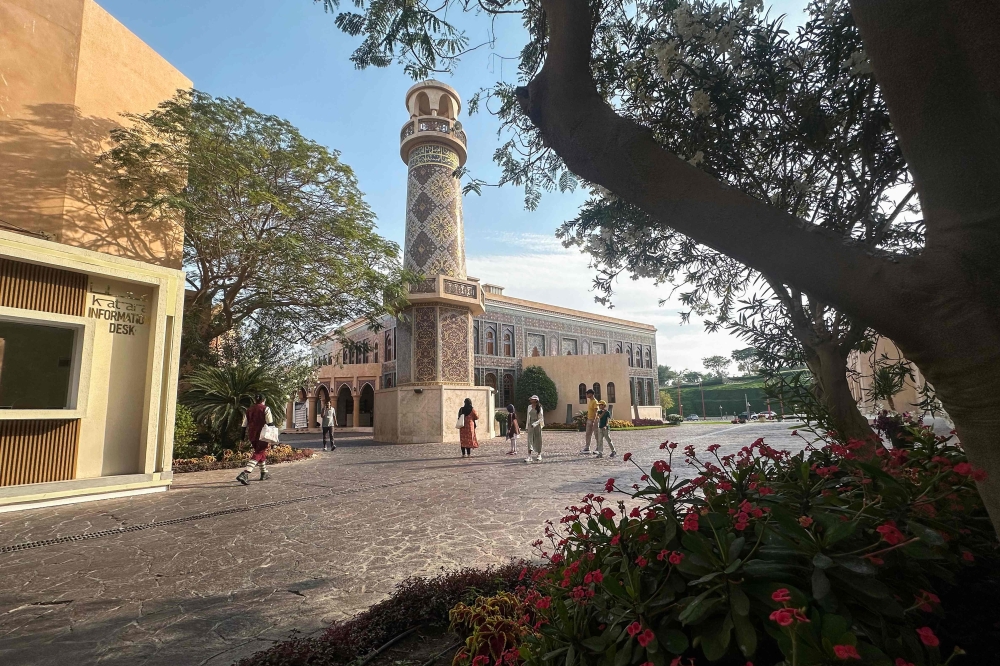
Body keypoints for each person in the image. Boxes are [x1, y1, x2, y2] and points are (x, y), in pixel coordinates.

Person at [237, 395, 275, 485]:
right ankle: (245, 473)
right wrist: (273, 438)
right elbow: (270, 423)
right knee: (259, 452)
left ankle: (264, 473)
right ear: (264, 400)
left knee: (260, 453)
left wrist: (241, 439)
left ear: (255, 400)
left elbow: (244, 425)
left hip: (252, 435)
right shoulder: (266, 409)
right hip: (263, 435)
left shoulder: (249, 410)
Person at [525, 395, 544, 463]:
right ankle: (529, 456)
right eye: (531, 399)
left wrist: (535, 424)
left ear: (536, 400)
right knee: (529, 440)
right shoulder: (529, 407)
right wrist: (527, 427)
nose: (531, 401)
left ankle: (539, 454)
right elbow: (528, 417)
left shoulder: (539, 407)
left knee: (538, 439)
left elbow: (541, 418)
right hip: (530, 425)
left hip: (537, 425)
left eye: (533, 399)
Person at [581, 388, 598, 454]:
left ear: (591, 394)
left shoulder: (595, 402)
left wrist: (594, 421)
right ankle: (587, 447)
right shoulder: (590, 401)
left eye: (587, 393)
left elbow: (596, 412)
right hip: (589, 419)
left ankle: (598, 447)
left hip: (594, 420)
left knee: (596, 434)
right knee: (588, 434)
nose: (586, 395)